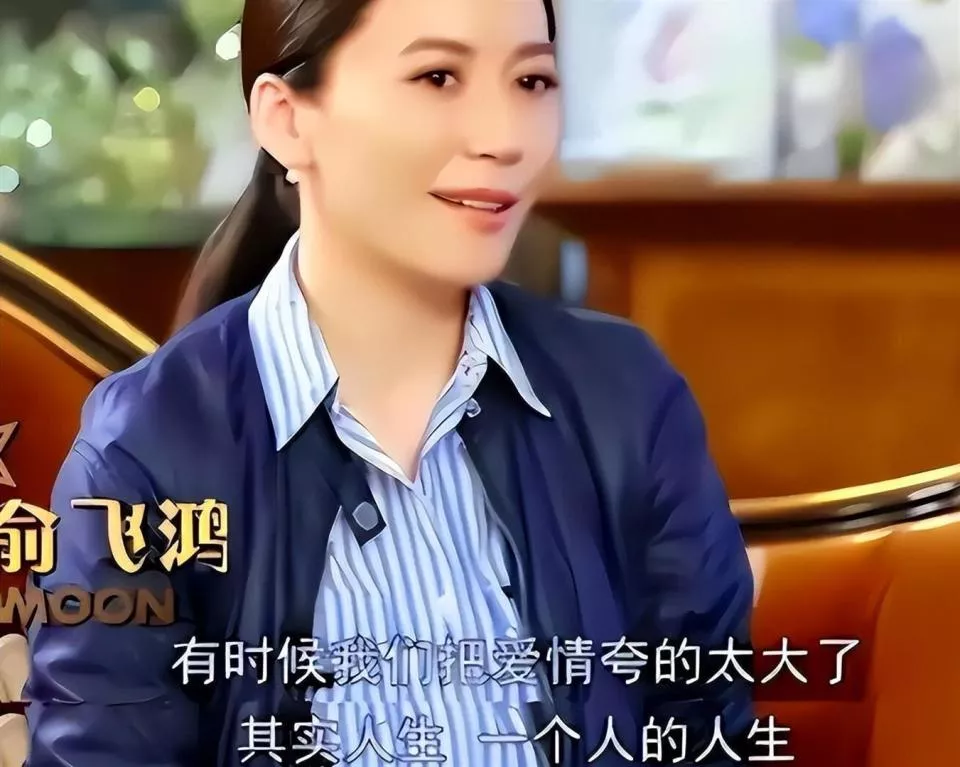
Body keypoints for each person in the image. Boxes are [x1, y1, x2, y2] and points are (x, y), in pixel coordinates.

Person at [26, 0, 754, 765]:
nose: (504, 137)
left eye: (531, 82)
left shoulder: (626, 398)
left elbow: (705, 725)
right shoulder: (147, 449)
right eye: (438, 77)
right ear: (285, 120)